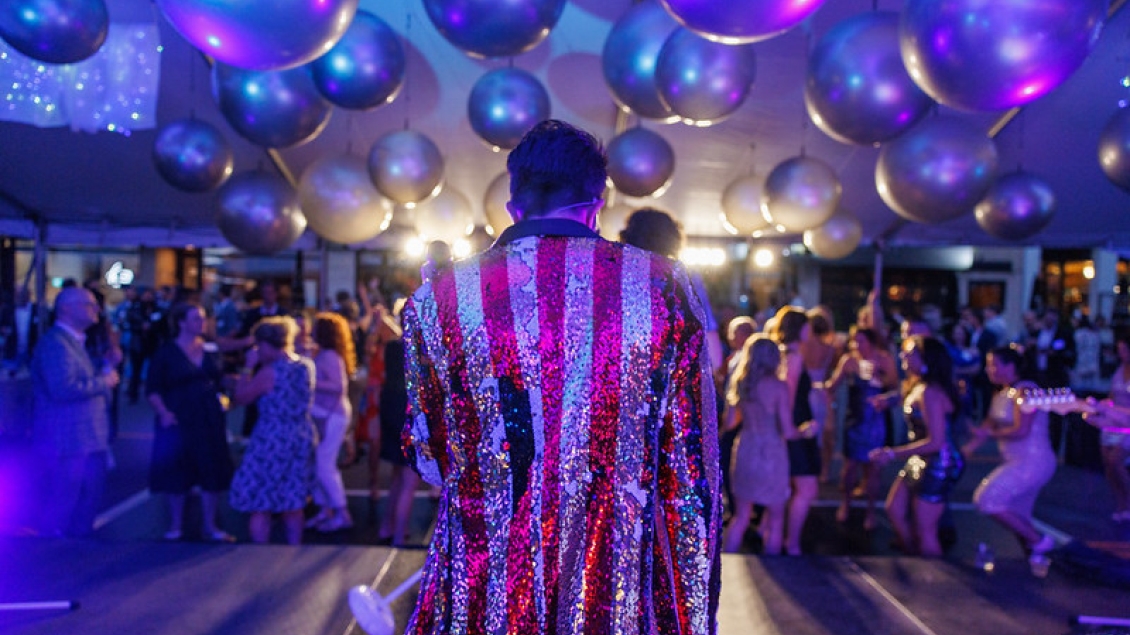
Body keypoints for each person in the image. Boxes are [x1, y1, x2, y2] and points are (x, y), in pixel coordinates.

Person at [386, 120, 720, 633]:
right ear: (597, 200)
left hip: (483, 590)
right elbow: (691, 475)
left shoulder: (439, 298)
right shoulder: (664, 288)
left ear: (513, 202)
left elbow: (427, 457)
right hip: (614, 591)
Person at [31, 287, 121, 537]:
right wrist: (104, 382)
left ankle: (72, 547)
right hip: (68, 437)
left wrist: (105, 367)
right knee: (66, 496)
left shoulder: (73, 343)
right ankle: (55, 550)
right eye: (88, 305)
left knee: (84, 496)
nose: (96, 310)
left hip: (84, 436)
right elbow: (62, 388)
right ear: (66, 309)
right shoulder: (56, 344)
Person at [963, 345, 1056, 574]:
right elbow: (988, 425)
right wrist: (968, 448)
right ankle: (1038, 560)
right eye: (988, 365)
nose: (989, 370)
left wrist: (988, 435)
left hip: (1032, 461)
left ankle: (1042, 543)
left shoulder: (1026, 391)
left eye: (994, 364)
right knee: (1019, 516)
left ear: (1011, 366)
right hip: (1018, 461)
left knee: (987, 499)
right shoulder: (1001, 394)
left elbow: (1021, 430)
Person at [145, 302, 234, 541]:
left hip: (208, 416)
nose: (201, 323)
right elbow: (153, 387)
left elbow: (221, 379)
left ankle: (210, 524)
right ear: (182, 322)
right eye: (196, 318)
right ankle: (175, 524)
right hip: (178, 416)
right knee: (177, 469)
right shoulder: (166, 353)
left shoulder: (211, 350)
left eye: (203, 318)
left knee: (210, 467)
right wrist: (163, 412)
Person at [870, 336, 964, 557]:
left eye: (910, 352)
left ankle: (931, 575)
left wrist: (893, 453)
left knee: (926, 529)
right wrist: (887, 401)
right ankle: (915, 557)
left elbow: (936, 441)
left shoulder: (931, 392)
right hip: (921, 460)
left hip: (938, 463)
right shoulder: (918, 385)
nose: (903, 355)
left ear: (925, 358)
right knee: (894, 508)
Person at [229, 316, 316, 545]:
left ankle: (261, 556)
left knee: (260, 499)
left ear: (267, 345)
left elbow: (241, 397)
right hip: (301, 433)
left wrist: (248, 366)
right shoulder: (305, 365)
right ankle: (293, 551)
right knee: (293, 499)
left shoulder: (270, 372)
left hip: (272, 436)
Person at [619, 207, 724, 375]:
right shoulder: (683, 276)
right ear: (673, 238)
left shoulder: (619, 273)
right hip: (671, 374)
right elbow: (706, 326)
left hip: (623, 371)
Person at [722, 335, 797, 554]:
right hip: (771, 451)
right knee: (776, 518)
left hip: (746, 448)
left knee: (741, 516)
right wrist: (807, 430)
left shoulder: (741, 383)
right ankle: (773, 570)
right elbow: (789, 431)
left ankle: (726, 566)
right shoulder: (778, 387)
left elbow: (729, 423)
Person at [821, 327, 896, 530]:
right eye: (854, 341)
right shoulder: (849, 361)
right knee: (850, 467)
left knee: (872, 469)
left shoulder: (884, 360)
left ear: (871, 342)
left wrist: (882, 381)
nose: (856, 345)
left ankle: (870, 511)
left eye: (860, 341)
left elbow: (896, 389)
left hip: (876, 419)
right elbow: (832, 385)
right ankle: (846, 504)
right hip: (854, 419)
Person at [775, 307, 820, 556]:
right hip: (797, 428)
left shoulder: (782, 354)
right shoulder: (794, 357)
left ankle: (772, 534)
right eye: (808, 327)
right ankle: (791, 543)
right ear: (800, 328)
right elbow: (789, 397)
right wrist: (791, 430)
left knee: (789, 487)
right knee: (806, 488)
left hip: (791, 427)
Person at [306, 312, 356, 532]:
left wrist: (310, 381)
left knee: (324, 466)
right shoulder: (327, 354)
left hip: (331, 415)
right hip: (329, 414)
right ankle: (326, 509)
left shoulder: (328, 356)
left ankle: (341, 512)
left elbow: (337, 387)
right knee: (320, 464)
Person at [1098, 335, 1130, 522]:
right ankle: (1120, 504)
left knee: (1117, 461)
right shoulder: (1119, 370)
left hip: (1127, 424)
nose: (1121, 353)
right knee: (1109, 466)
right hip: (1112, 422)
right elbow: (1112, 395)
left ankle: (1128, 502)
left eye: (1124, 349)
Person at [1, 285, 39, 375]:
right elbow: (2, 327)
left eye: (22, 294)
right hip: (13, 352)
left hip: (33, 352)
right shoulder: (8, 310)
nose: (19, 296)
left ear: (29, 295)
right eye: (17, 294)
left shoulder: (37, 310)